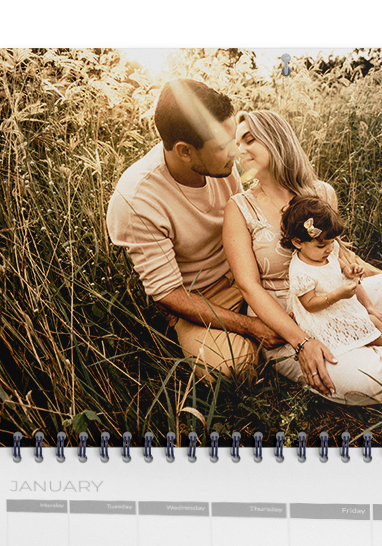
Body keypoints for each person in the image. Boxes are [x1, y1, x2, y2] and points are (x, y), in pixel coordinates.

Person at [222, 109, 382, 405]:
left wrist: (374, 296)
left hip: (342, 297)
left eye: (249, 140)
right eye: (236, 142)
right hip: (289, 320)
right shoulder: (239, 208)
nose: (238, 149)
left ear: (275, 140)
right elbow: (248, 287)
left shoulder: (320, 193)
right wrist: (301, 342)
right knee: (362, 376)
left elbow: (340, 256)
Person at [106, 79, 283, 380]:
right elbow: (168, 294)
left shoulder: (219, 164)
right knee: (233, 369)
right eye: (225, 147)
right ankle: (256, 338)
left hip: (246, 268)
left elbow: (245, 220)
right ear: (185, 151)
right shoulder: (137, 199)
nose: (237, 153)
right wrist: (250, 326)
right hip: (200, 297)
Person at [283, 195, 382, 373]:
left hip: (339, 306)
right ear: (297, 242)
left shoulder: (326, 251)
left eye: (332, 242)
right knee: (364, 325)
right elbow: (309, 305)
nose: (329, 249)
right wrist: (337, 295)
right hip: (323, 318)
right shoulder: (301, 273)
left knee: (371, 320)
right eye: (322, 245)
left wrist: (348, 270)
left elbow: (337, 264)